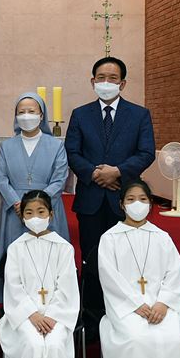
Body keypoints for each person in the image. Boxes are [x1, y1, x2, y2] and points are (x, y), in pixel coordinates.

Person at [98, 179, 180, 358]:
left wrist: (163, 303)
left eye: (142, 199)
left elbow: (174, 274)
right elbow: (110, 278)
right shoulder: (110, 238)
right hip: (126, 309)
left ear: (150, 204)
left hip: (160, 307)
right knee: (137, 339)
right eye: (131, 199)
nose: (137, 204)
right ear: (122, 204)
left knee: (171, 338)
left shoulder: (162, 238)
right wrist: (135, 305)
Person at [64, 57, 155, 311]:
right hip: (90, 201)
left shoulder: (139, 114)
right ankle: (92, 317)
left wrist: (117, 172)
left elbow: (146, 152)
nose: (106, 82)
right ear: (93, 81)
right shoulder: (80, 114)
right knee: (91, 259)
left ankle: (125, 311)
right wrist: (95, 174)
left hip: (124, 200)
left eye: (112, 78)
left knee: (125, 260)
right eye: (101, 78)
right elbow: (72, 152)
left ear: (122, 84)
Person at [0, 190, 79, 358]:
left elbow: (67, 288)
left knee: (53, 345)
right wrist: (32, 314)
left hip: (57, 316)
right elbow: (14, 287)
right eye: (29, 213)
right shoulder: (16, 248)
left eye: (41, 212)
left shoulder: (63, 248)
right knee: (33, 344)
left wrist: (52, 315)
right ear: (22, 217)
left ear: (51, 214)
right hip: (24, 316)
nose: (35, 217)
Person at [0, 92, 70, 271]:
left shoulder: (56, 145)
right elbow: (0, 177)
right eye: (21, 112)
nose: (26, 116)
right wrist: (17, 203)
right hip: (15, 209)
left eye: (31, 111)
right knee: (15, 261)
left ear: (41, 115)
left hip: (46, 206)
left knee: (49, 260)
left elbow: (59, 178)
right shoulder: (6, 146)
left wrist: (38, 203)